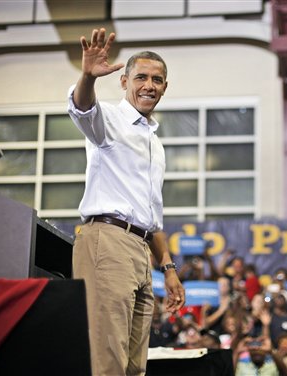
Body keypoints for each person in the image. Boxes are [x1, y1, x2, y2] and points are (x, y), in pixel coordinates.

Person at [67, 27, 185, 376]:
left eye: (158, 80)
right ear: (124, 81)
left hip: (141, 251)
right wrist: (87, 76)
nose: (150, 85)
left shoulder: (155, 144)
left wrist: (169, 268)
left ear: (165, 87)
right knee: (107, 359)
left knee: (134, 366)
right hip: (108, 242)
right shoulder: (110, 119)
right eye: (142, 77)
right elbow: (82, 108)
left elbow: (152, 217)